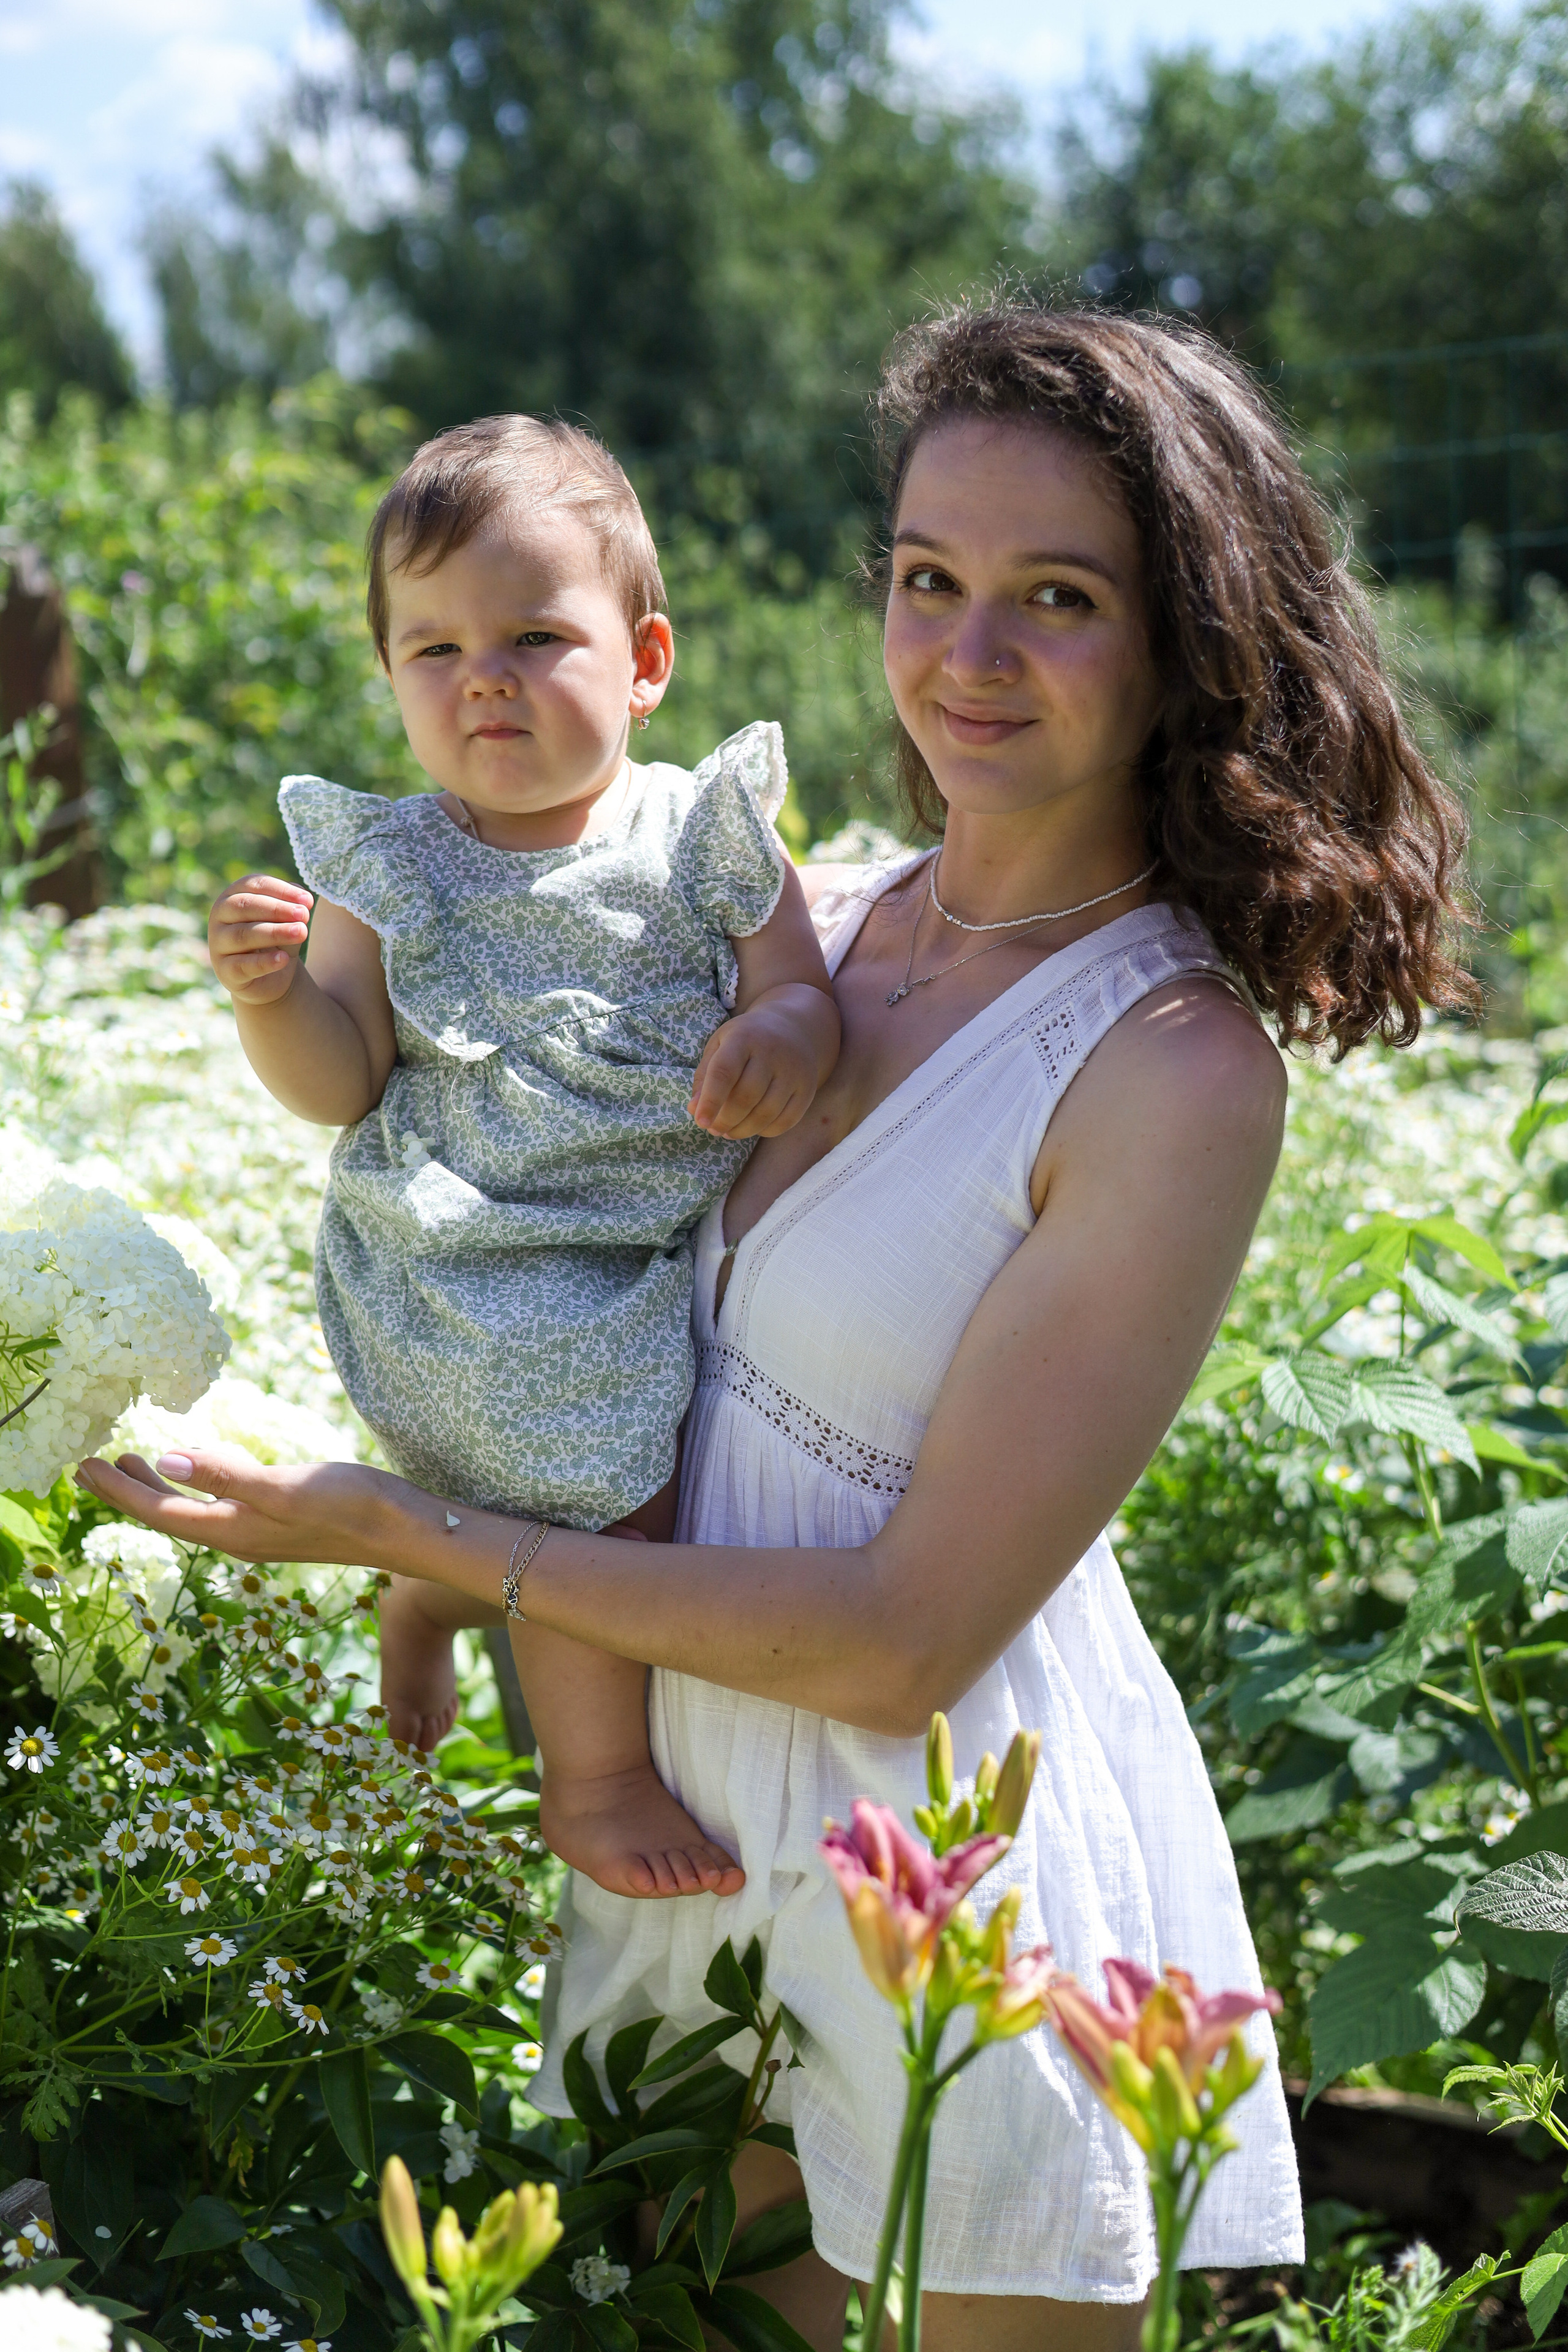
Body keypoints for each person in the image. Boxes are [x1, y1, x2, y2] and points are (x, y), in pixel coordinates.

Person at [83, 303, 1473, 2351]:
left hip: (942, 1888)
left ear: (1194, 637)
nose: (966, 656)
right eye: (928, 580)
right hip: (696, 1829)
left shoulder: (1170, 1065)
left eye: (1058, 599)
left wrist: (396, 1535)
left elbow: (911, 1635)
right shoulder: (804, 919)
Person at [203, 414, 840, 1903]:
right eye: (431, 649)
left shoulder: (701, 833)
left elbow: (801, 986)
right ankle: (596, 1778)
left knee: (569, 1456)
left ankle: (431, 1590)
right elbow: (338, 1082)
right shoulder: (392, 868)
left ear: (646, 661)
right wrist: (273, 1000)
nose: (480, 675)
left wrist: (787, 1045)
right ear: (390, 679)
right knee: (601, 1497)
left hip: (605, 1246)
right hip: (449, 1257)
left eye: (535, 634)